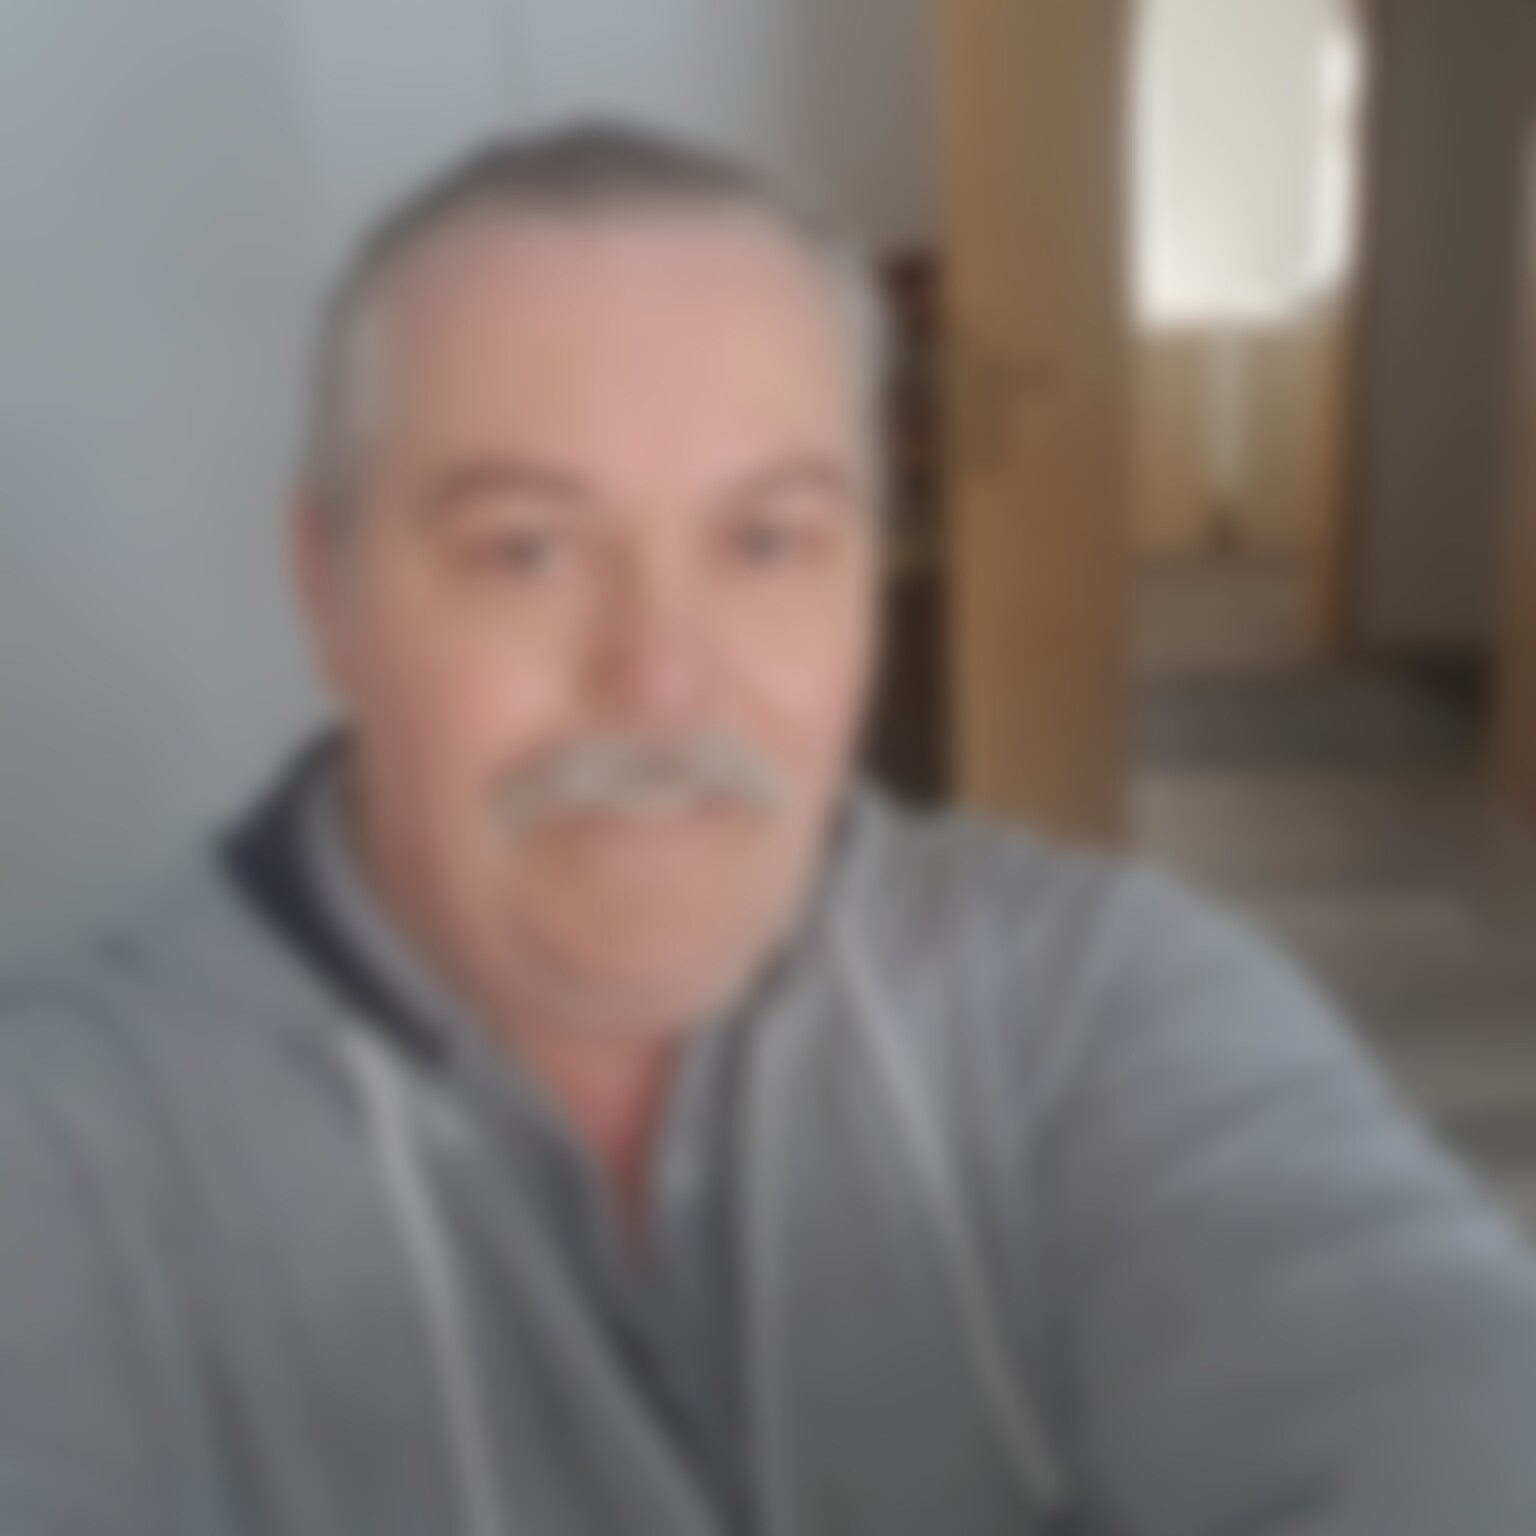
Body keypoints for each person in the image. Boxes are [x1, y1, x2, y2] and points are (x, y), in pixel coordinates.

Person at [2, 123, 1535, 1536]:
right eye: (525, 550)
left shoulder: (1090, 1003)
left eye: (765, 541)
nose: (662, 681)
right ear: (326, 586)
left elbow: (1424, 1381)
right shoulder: (69, 1155)